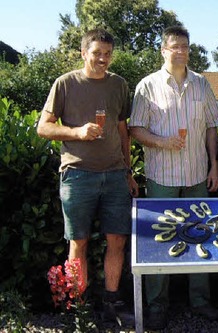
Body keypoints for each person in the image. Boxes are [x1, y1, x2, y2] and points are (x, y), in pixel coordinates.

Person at [36, 28, 139, 323]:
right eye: (96, 53)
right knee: (78, 242)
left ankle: (111, 305)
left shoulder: (119, 85)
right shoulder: (65, 83)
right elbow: (43, 127)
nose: (102, 59)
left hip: (116, 175)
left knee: (117, 240)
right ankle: (78, 309)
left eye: (107, 54)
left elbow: (123, 132)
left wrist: (129, 172)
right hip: (77, 175)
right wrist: (77, 132)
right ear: (83, 53)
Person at [129, 26, 218, 330]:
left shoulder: (202, 85)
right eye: (174, 46)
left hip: (197, 173)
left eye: (184, 46)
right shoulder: (147, 86)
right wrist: (161, 141)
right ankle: (157, 305)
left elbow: (212, 127)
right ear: (163, 50)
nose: (180, 51)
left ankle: (200, 301)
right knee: (161, 239)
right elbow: (135, 130)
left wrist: (214, 165)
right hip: (162, 176)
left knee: (202, 238)